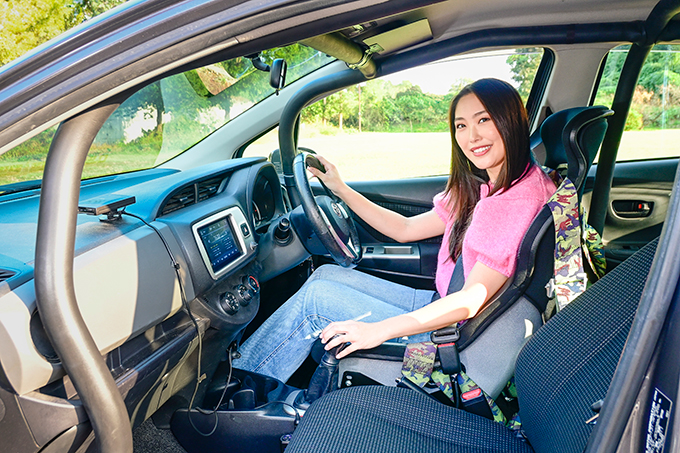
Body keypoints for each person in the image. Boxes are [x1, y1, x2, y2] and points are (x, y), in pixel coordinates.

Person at [235, 78, 556, 383]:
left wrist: (379, 330)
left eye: (483, 120)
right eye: (461, 125)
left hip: (447, 341)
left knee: (313, 303)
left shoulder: (512, 203)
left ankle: (238, 387)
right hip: (440, 305)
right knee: (324, 276)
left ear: (511, 120)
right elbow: (405, 228)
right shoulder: (493, 186)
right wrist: (340, 187)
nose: (471, 137)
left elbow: (469, 301)